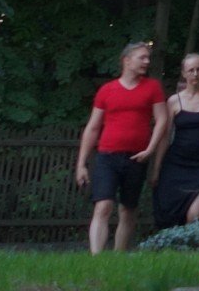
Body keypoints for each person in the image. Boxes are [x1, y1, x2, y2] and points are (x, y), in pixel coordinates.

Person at [76, 41, 168, 253]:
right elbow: (92, 127)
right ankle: (97, 259)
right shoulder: (107, 90)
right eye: (142, 57)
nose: (147, 61)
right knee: (103, 205)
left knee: (128, 209)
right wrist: (81, 164)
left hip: (137, 157)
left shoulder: (152, 87)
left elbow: (162, 121)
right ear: (126, 61)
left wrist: (150, 150)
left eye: (148, 58)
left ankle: (118, 257)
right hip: (107, 156)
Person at [150, 52, 199, 228]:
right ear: (184, 73)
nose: (195, 74)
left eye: (198, 69)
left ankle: (192, 252)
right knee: (169, 212)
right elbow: (165, 137)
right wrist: (157, 169)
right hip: (176, 163)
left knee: (195, 217)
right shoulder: (174, 101)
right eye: (190, 70)